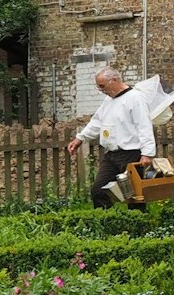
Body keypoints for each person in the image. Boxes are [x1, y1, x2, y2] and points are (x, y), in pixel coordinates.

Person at [65, 66, 157, 208]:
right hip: (112, 155)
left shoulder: (135, 98)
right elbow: (97, 122)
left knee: (134, 196)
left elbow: (144, 126)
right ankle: (105, 219)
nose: (100, 90)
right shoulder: (108, 101)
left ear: (114, 80)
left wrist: (147, 154)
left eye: (102, 86)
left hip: (131, 154)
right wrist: (80, 138)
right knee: (99, 191)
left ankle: (138, 221)